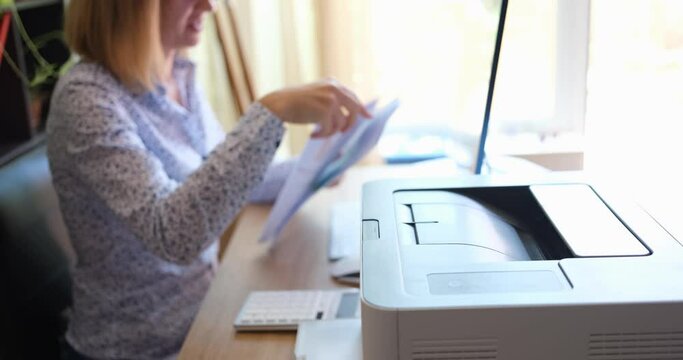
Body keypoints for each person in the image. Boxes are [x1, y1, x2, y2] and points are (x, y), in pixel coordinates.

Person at [47, 0, 370, 359]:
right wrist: (270, 113)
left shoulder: (176, 75)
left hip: (204, 319)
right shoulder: (87, 100)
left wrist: (318, 166)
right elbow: (174, 235)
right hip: (139, 349)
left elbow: (230, 180)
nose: (211, 6)